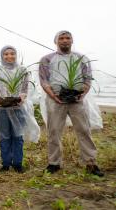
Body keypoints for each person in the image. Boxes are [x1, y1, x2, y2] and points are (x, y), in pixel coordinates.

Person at [39, 30, 103, 177]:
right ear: (56, 41)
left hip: (76, 100)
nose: (65, 40)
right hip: (55, 100)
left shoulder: (81, 58)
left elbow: (87, 79)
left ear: (72, 41)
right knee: (54, 131)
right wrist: (53, 96)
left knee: (84, 130)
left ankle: (91, 163)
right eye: (61, 38)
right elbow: (44, 80)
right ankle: (54, 163)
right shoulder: (47, 59)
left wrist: (82, 94)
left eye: (68, 38)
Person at [0, 45, 30, 173]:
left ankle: (17, 163)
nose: (9, 56)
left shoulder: (22, 70)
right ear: (2, 56)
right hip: (2, 108)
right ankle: (6, 163)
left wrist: (20, 99)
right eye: (6, 54)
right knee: (5, 135)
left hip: (18, 107)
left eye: (12, 53)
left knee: (18, 135)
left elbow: (25, 88)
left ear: (16, 55)